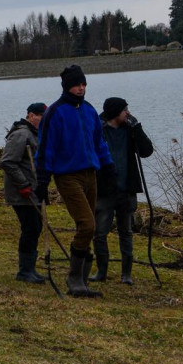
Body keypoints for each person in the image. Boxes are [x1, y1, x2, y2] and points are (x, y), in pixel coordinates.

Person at [35, 65, 116, 298]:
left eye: (83, 84)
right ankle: (74, 279)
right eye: (77, 85)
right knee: (87, 224)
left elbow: (99, 143)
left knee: (89, 228)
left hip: (91, 174)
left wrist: (109, 167)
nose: (81, 88)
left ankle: (81, 279)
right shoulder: (55, 112)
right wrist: (42, 182)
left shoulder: (89, 110)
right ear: (67, 86)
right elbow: (46, 149)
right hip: (67, 176)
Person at [89, 97, 154, 285]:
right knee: (100, 233)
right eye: (125, 110)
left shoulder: (130, 130)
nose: (128, 113)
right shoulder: (99, 130)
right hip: (104, 191)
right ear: (116, 112)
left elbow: (147, 151)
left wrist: (137, 128)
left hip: (126, 190)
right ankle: (102, 271)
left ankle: (126, 274)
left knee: (126, 232)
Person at [0, 102, 48, 284]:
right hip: (22, 192)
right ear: (30, 116)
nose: (42, 119)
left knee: (35, 228)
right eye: (40, 116)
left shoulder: (35, 135)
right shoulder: (21, 134)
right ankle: (25, 271)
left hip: (34, 190)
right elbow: (7, 162)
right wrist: (23, 184)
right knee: (31, 228)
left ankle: (30, 269)